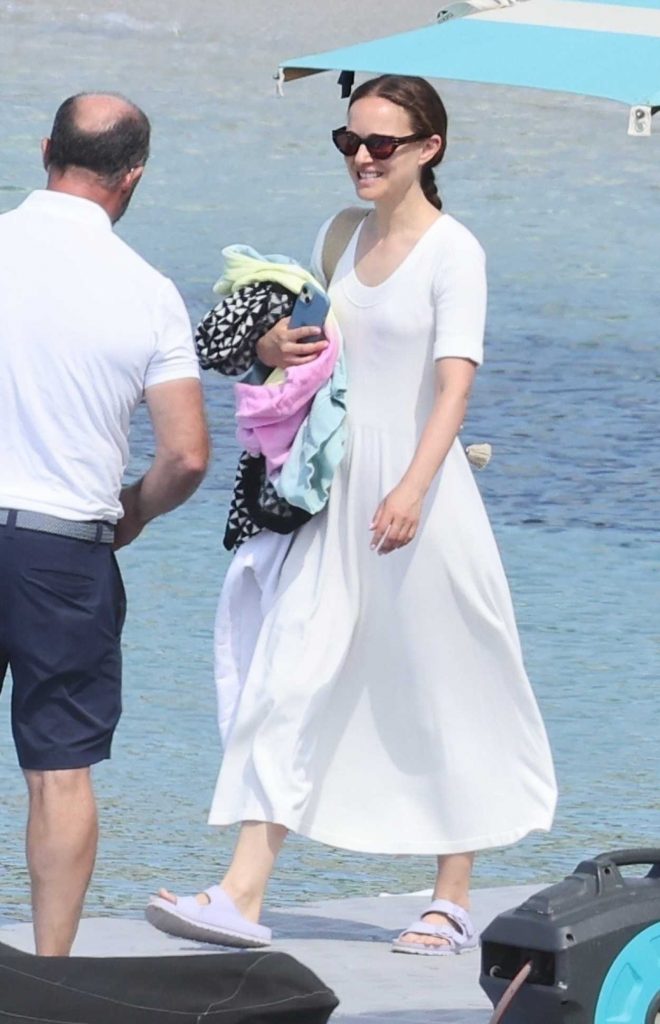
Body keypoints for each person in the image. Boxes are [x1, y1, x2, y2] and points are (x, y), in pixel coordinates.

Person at [147, 74, 556, 955]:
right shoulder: (337, 237)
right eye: (349, 141)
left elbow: (454, 384)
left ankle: (450, 900)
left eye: (381, 144)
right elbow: (317, 363)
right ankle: (240, 895)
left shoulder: (457, 253)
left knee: (445, 682)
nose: (361, 158)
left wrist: (412, 486)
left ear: (428, 149)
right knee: (292, 672)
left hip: (421, 493)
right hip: (331, 494)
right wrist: (268, 347)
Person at [0, 93, 209, 956]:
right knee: (58, 772)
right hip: (63, 550)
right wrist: (130, 515)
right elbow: (187, 456)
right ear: (133, 178)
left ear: (46, 148)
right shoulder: (149, 293)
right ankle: (48, 976)